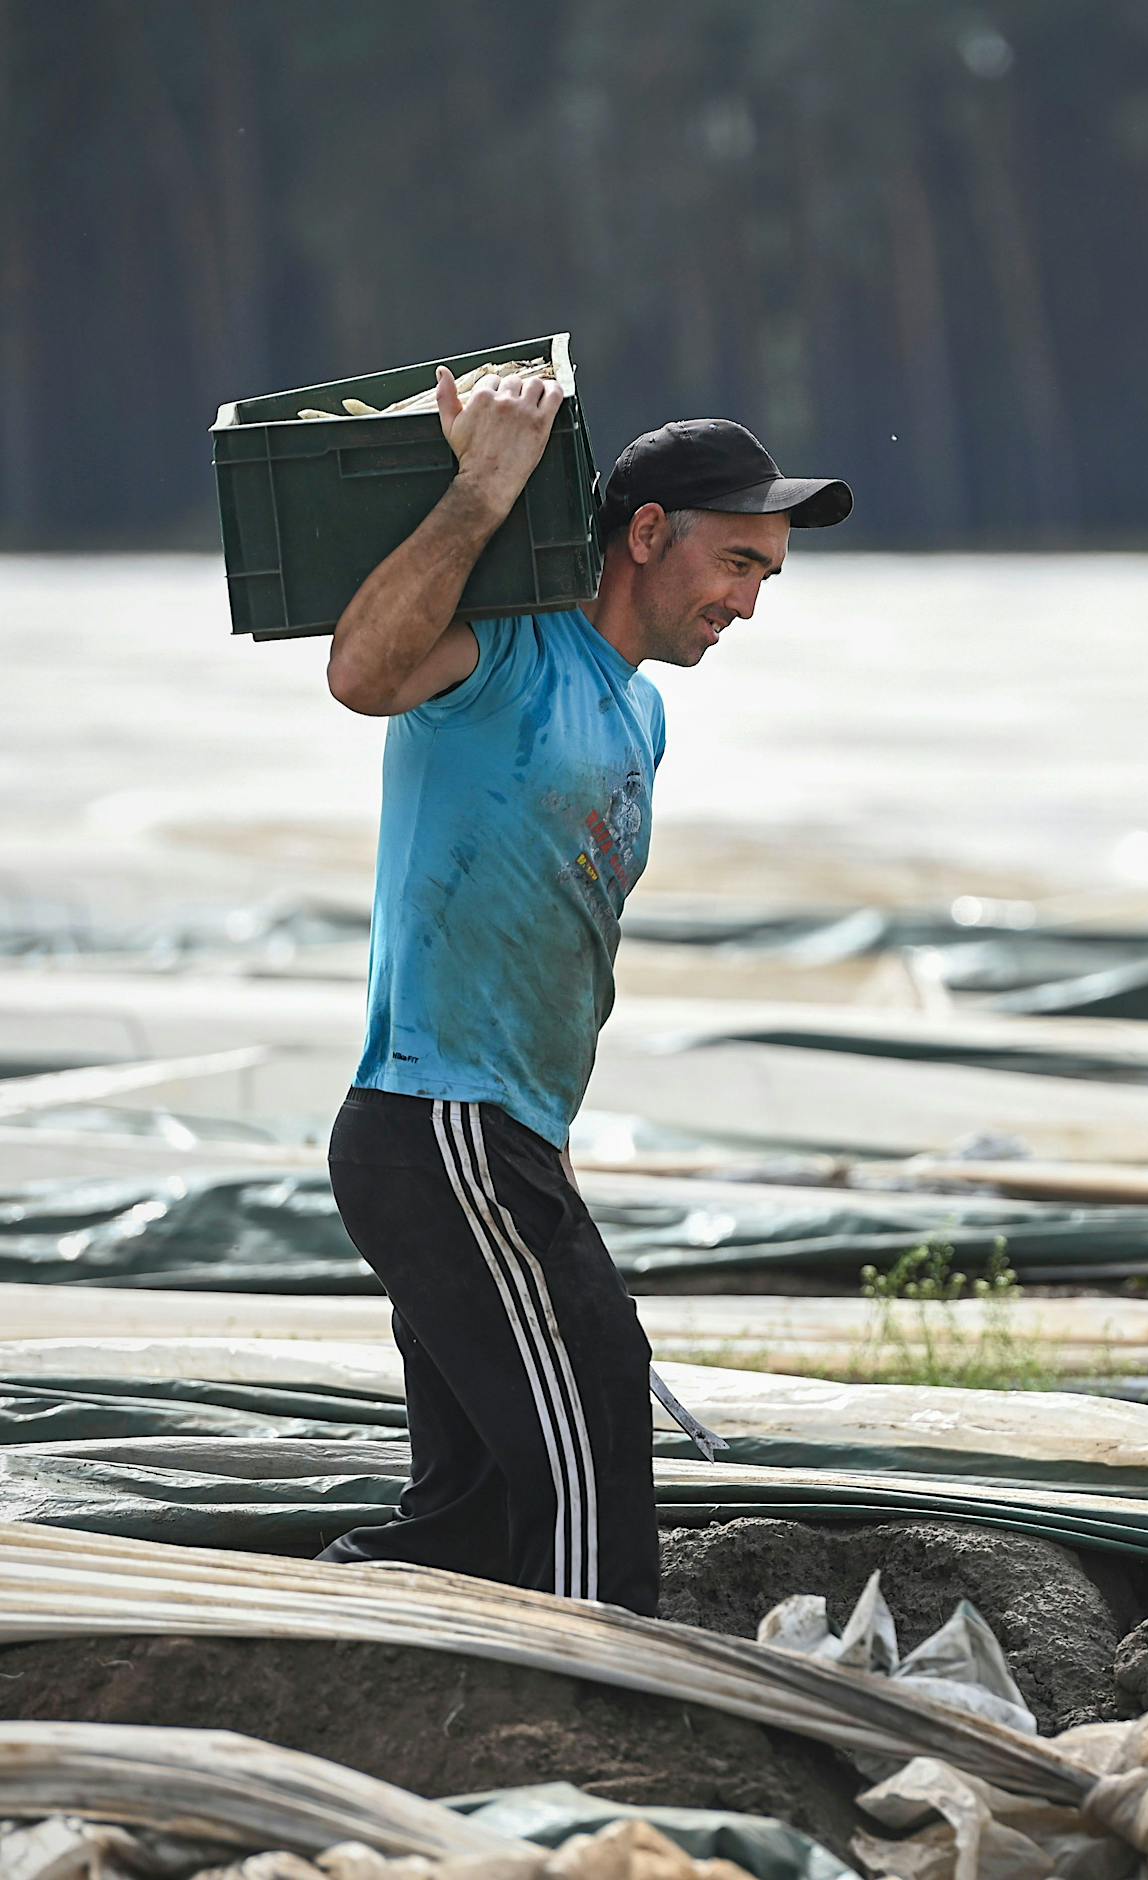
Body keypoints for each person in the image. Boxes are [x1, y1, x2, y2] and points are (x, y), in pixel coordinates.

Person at [316, 365, 852, 1613]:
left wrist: (545, 1143)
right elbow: (358, 671)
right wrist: (480, 489)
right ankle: (596, 1689)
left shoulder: (640, 714)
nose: (747, 602)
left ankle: (325, 1641)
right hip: (436, 1120)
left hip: (506, 1133)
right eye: (736, 563)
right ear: (646, 533)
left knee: (475, 1506)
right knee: (593, 1427)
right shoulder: (502, 646)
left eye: (766, 576)